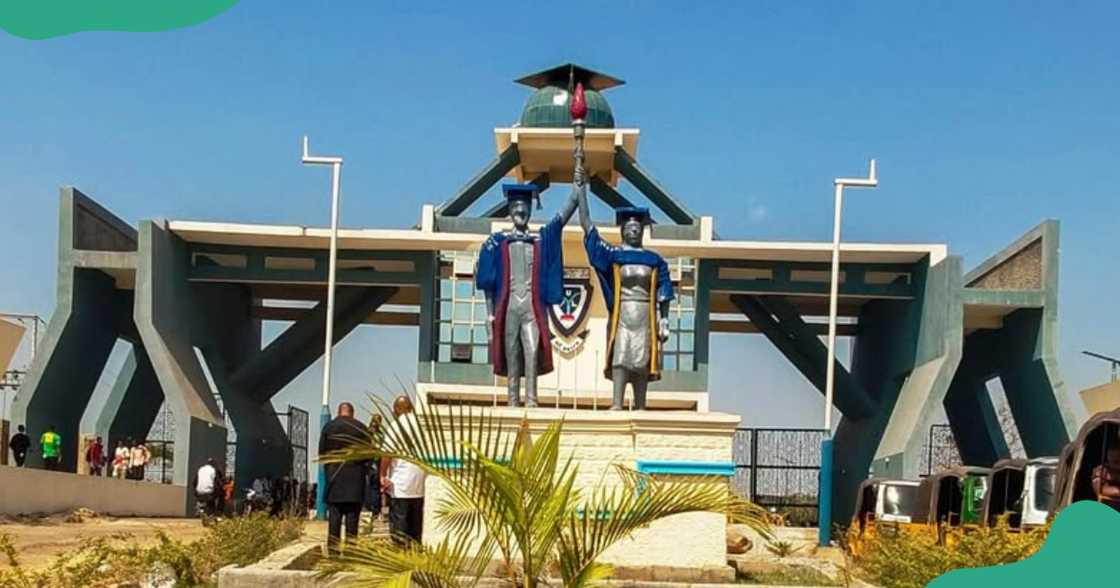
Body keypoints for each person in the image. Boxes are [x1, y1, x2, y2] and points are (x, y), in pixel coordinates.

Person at [475, 184, 578, 407]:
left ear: (530, 211)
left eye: (524, 209)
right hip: (509, 307)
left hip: (532, 309)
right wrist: (490, 314)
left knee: (531, 351)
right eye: (516, 208)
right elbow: (488, 282)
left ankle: (531, 399)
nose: (520, 213)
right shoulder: (497, 243)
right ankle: (513, 399)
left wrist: (576, 191)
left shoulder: (540, 242)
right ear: (510, 211)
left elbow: (561, 220)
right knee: (512, 354)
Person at [578, 187, 673, 410]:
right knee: (620, 357)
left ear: (642, 231)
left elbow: (664, 289)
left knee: (642, 361)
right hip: (622, 315)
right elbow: (589, 230)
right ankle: (616, 403)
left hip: (645, 316)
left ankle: (641, 406)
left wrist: (664, 319)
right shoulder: (614, 256)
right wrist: (580, 193)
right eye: (629, 228)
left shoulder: (654, 260)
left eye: (636, 228)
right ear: (622, 231)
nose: (633, 232)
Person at [319, 401, 370, 552]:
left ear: (338, 411)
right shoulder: (361, 428)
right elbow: (370, 454)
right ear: (352, 413)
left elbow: (322, 453)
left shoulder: (329, 427)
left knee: (334, 519)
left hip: (334, 478)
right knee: (352, 520)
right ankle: (350, 553)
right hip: (355, 480)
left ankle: (333, 553)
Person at [381, 396, 426, 544]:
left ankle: (401, 561)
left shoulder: (396, 426)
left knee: (400, 529)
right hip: (419, 484)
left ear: (397, 409)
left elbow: (387, 453)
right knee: (415, 529)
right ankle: (415, 559)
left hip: (400, 484)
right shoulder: (421, 425)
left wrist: (382, 475)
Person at [366, 414, 384, 520]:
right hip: (374, 461)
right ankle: (374, 510)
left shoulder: (367, 432)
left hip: (372, 461)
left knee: (372, 486)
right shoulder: (379, 435)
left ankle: (372, 509)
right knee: (374, 487)